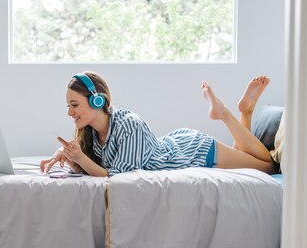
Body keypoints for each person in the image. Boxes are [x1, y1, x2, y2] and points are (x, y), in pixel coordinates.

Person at [40, 71, 276, 177]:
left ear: (97, 100)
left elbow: (116, 176)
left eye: (74, 105)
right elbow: (93, 170)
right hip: (177, 144)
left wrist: (79, 158)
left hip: (195, 152)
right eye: (68, 106)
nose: (70, 112)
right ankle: (247, 111)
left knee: (268, 167)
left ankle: (224, 113)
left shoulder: (128, 124)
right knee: (243, 156)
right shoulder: (92, 133)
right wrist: (70, 157)